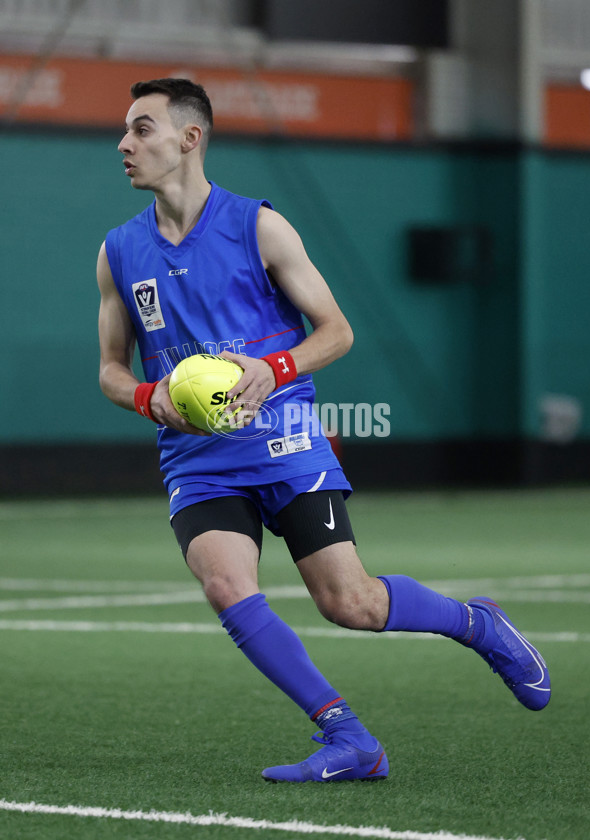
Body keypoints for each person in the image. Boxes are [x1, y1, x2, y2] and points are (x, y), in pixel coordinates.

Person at [97, 78, 551, 783]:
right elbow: (109, 370)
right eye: (125, 131)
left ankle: (476, 623)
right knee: (225, 583)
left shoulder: (259, 227)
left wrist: (273, 369)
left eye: (142, 129)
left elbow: (336, 332)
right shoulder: (118, 252)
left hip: (284, 439)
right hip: (195, 457)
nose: (125, 144)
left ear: (190, 139)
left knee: (351, 604)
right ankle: (349, 739)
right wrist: (149, 396)